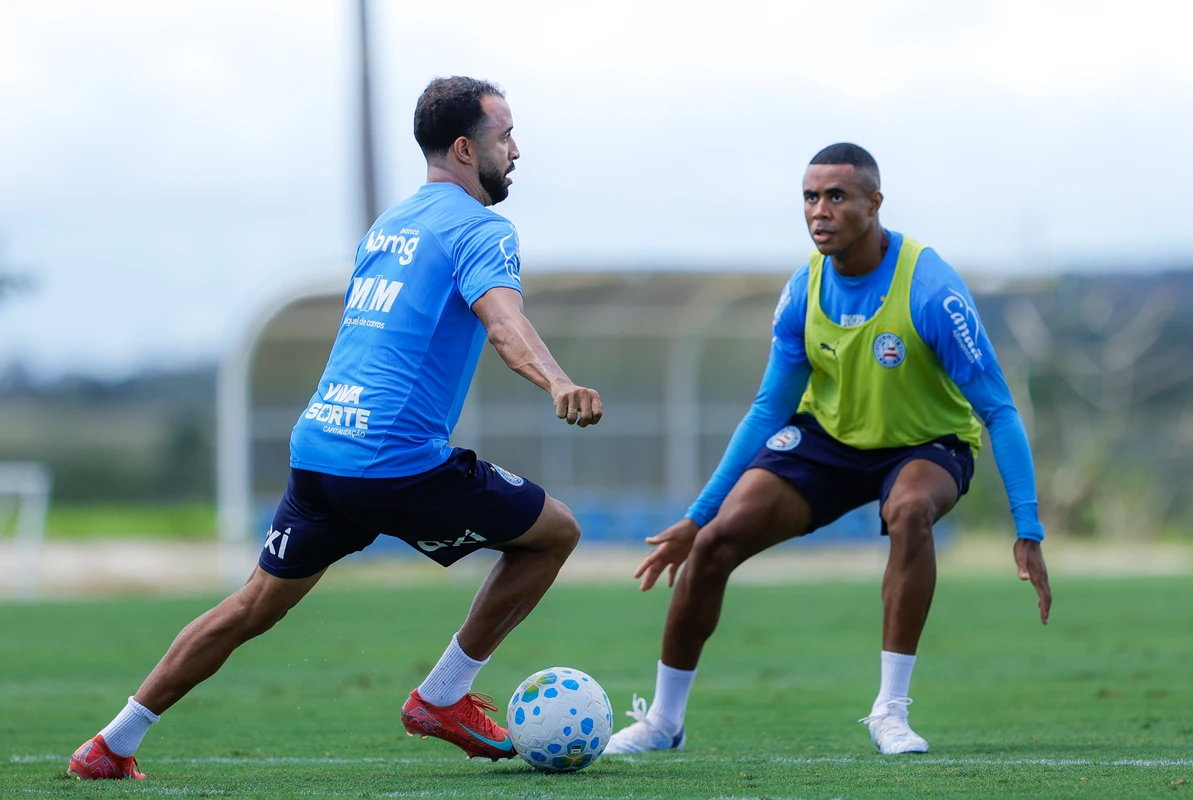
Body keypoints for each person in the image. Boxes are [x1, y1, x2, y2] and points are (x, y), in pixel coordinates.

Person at [67, 76, 603, 780]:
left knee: (252, 606)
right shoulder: (481, 230)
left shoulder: (389, 227)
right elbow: (505, 324)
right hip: (395, 462)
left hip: (321, 451)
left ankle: (110, 744)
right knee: (555, 532)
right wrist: (558, 381)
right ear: (467, 149)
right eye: (506, 137)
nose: (517, 150)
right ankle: (442, 697)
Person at [606, 143, 1052, 757]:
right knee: (712, 544)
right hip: (829, 440)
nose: (820, 210)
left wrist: (1028, 528)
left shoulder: (931, 289)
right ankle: (664, 722)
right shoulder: (804, 291)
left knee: (910, 511)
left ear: (874, 203)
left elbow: (999, 409)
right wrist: (698, 517)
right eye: (811, 197)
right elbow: (768, 410)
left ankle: (890, 712)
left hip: (925, 443)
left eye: (836, 196)